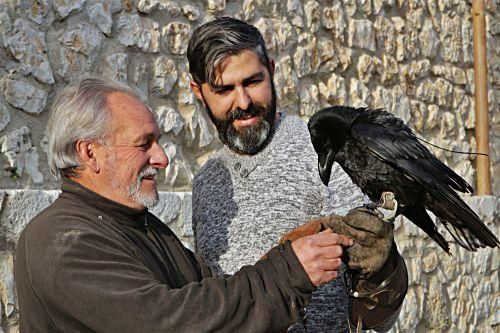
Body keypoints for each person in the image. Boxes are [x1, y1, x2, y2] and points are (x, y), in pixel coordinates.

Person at [14, 77, 356, 333]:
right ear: (90, 153)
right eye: (143, 144)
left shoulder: (140, 225)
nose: (161, 158)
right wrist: (289, 272)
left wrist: (298, 248)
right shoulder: (61, 240)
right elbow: (172, 322)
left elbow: (216, 296)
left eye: (157, 142)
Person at [188, 17, 408, 332]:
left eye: (253, 82)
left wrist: (382, 272)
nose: (244, 102)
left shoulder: (325, 152)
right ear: (198, 91)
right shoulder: (206, 181)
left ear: (272, 71)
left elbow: (379, 316)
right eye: (224, 89)